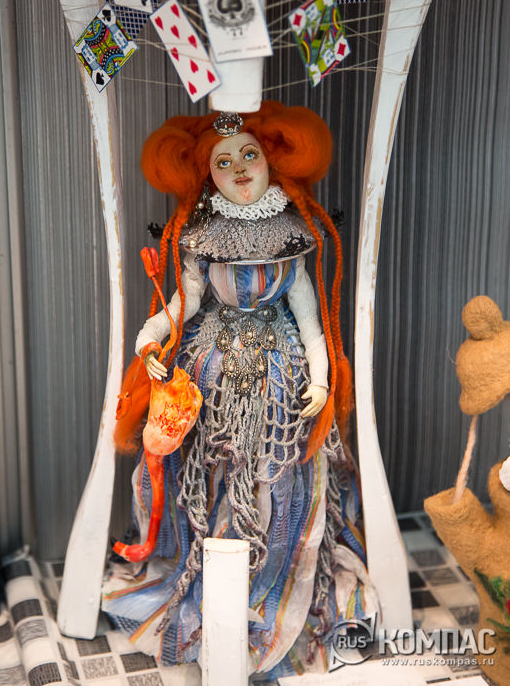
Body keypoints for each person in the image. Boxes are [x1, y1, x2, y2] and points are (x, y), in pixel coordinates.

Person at [103, 101, 379, 677]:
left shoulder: (289, 236)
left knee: (278, 478)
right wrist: (150, 338)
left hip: (282, 373)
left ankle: (272, 582)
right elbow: (185, 303)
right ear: (208, 174)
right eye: (224, 162)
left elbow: (311, 320)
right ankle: (214, 579)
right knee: (213, 473)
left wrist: (320, 376)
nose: (240, 169)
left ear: (273, 160)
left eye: (249, 154)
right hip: (213, 368)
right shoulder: (203, 237)